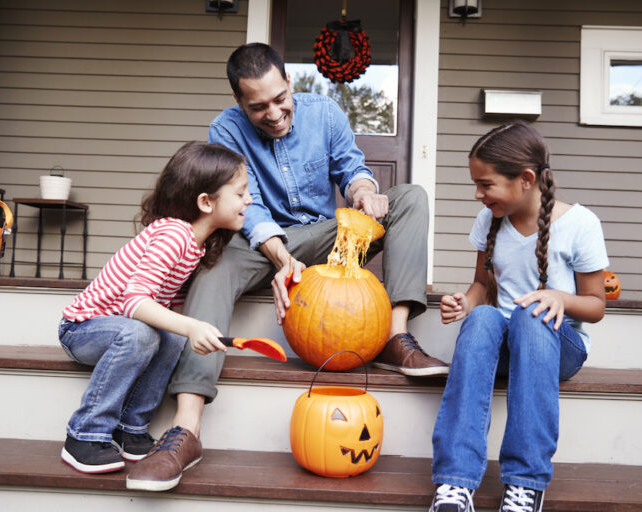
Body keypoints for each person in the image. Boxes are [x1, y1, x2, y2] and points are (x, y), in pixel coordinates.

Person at [127, 42, 447, 491]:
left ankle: (396, 337)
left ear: (290, 83)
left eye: (281, 100)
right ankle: (187, 428)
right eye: (259, 107)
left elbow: (351, 168)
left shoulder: (325, 113)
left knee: (411, 197)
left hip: (326, 233)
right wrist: (280, 256)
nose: (275, 114)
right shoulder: (226, 130)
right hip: (260, 242)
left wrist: (362, 193)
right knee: (212, 272)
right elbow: (249, 208)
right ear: (240, 103)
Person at [428, 122, 608, 512]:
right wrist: (465, 302)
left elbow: (596, 306)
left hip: (558, 344)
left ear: (526, 179)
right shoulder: (488, 221)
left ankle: (525, 484)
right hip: (506, 345)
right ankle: (454, 485)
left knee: (529, 313)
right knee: (483, 319)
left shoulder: (580, 224)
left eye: (486, 184)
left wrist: (559, 297)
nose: (478, 195)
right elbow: (481, 285)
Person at [58, 142, 251, 477]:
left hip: (124, 332)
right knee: (142, 332)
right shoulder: (173, 234)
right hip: (82, 328)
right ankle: (84, 435)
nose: (248, 200)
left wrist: (189, 332)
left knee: (171, 337)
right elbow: (135, 301)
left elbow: (169, 304)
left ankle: (130, 428)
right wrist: (191, 325)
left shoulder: (196, 244)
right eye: (240, 193)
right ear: (206, 202)